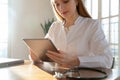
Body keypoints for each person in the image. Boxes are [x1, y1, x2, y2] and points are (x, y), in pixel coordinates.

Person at [29, 0, 113, 69]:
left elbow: (107, 60)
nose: (61, 8)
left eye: (65, 1)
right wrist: (36, 56)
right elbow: (44, 54)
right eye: (57, 4)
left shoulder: (92, 25)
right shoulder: (55, 27)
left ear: (76, 1)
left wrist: (76, 61)